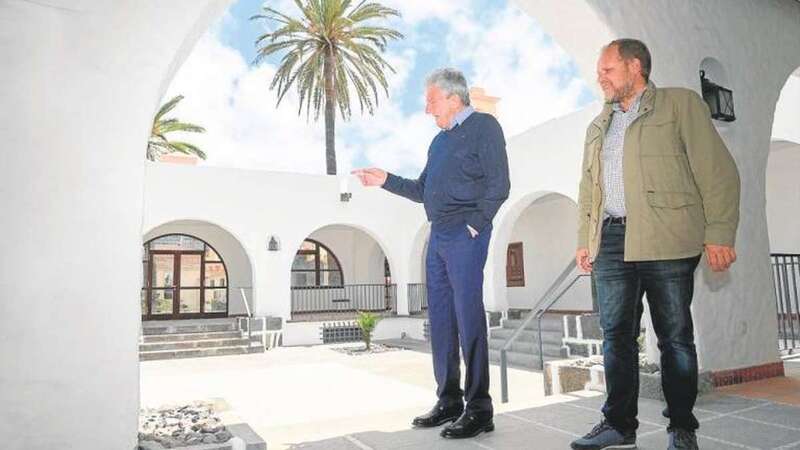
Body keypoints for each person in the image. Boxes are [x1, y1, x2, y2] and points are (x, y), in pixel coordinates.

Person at [572, 39, 740, 450]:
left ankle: (682, 427)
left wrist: (719, 232)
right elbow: (588, 189)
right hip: (611, 241)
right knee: (616, 337)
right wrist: (585, 240)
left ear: (634, 67)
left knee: (674, 338)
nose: (601, 77)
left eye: (607, 69)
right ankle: (618, 425)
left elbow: (718, 172)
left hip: (668, 237)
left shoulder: (678, 105)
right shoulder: (599, 125)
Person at [352, 67, 510, 440]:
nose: (428, 110)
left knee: (468, 317)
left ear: (454, 98)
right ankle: (449, 400)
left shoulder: (485, 127)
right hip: (437, 236)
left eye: (431, 102)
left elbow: (499, 183)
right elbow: (423, 189)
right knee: (440, 319)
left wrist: (475, 225)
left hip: (464, 235)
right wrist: (385, 180)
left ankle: (479, 408)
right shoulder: (439, 142)